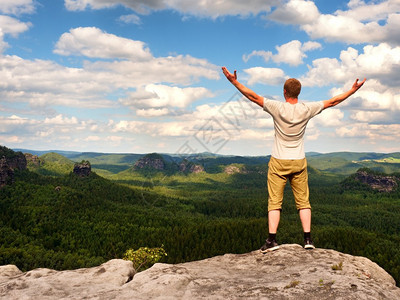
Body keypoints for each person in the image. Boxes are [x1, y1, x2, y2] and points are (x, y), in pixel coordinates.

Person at [222, 66, 366, 252]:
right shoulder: (307, 109)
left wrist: (234, 82)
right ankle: (308, 239)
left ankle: (272, 240)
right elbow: (332, 102)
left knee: (275, 201)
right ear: (299, 92)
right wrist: (353, 90)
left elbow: (253, 97)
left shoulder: (277, 107)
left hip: (278, 161)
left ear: (284, 92)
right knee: (303, 201)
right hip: (299, 160)